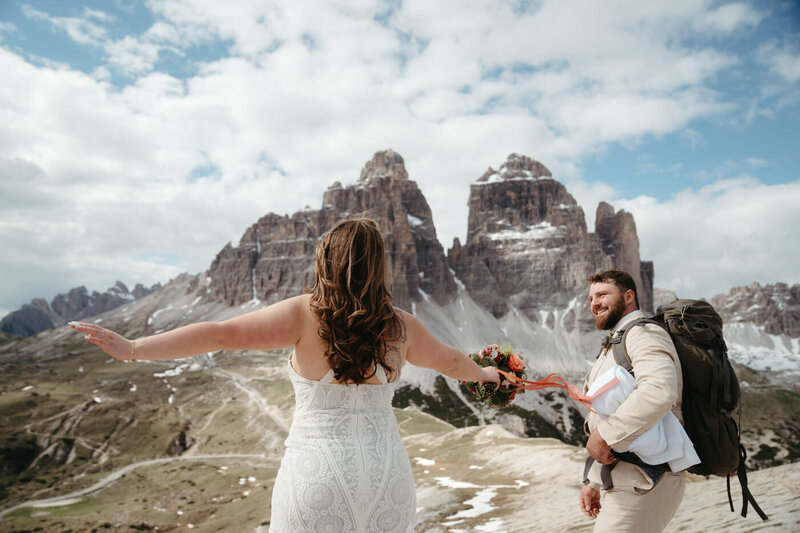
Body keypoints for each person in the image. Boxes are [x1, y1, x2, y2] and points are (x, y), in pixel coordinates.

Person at [71, 217, 499, 533]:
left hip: (317, 481)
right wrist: (490, 375)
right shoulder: (402, 326)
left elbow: (220, 334)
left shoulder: (302, 313)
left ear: (327, 262)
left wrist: (131, 349)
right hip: (389, 484)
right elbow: (453, 364)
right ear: (377, 268)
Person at [578, 270, 686, 532]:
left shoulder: (643, 333)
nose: (595, 303)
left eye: (603, 294)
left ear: (629, 296)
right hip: (628, 478)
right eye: (591, 297)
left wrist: (605, 435)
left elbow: (659, 390)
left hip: (646, 478)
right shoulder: (618, 339)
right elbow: (604, 414)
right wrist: (593, 480)